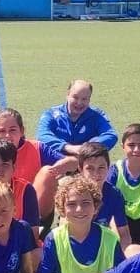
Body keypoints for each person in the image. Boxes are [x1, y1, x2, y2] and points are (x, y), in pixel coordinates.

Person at [35, 79, 119, 219]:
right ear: (67, 94)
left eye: (84, 99)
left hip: (86, 167)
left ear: (89, 99)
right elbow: (42, 136)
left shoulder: (96, 115)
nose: (79, 103)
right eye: (75, 97)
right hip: (58, 168)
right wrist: (69, 148)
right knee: (50, 181)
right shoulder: (51, 114)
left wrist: (85, 149)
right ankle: (43, 222)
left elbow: (111, 135)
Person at [73, 142, 138, 255]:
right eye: (90, 168)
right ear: (80, 169)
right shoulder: (72, 193)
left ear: (108, 168)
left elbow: (124, 234)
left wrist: (124, 257)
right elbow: (65, 229)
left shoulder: (114, 194)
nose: (96, 173)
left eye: (101, 168)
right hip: (74, 246)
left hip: (101, 248)